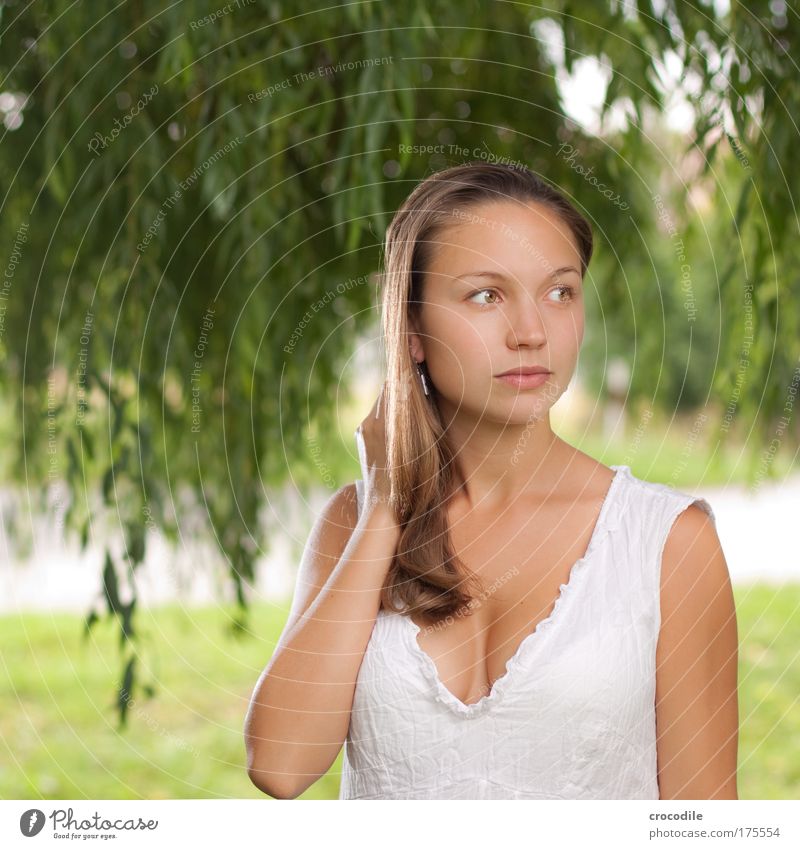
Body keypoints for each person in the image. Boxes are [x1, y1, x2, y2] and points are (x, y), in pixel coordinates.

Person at [244, 161, 739, 800]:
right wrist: (388, 508)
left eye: (560, 291)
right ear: (413, 330)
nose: (531, 333)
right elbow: (281, 766)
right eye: (487, 295)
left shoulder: (670, 543)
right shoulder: (354, 522)